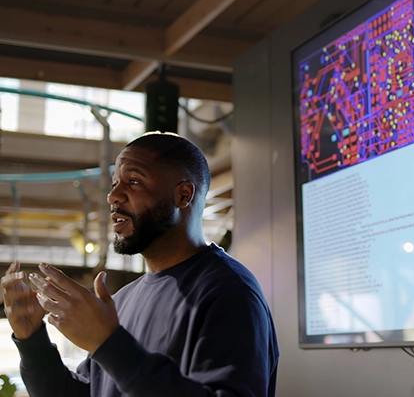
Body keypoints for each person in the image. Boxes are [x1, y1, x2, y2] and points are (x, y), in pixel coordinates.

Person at [1, 131, 279, 397]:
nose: (113, 197)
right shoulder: (121, 301)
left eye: (133, 181)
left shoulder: (229, 292)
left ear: (183, 195)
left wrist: (108, 345)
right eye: (114, 184)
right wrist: (33, 341)